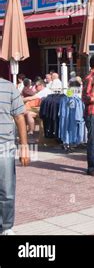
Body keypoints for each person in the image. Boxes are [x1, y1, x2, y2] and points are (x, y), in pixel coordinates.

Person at [0, 77, 29, 235]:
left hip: (4, 146)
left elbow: (19, 117)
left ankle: (6, 227)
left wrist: (24, 147)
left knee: (6, 191)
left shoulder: (8, 87)